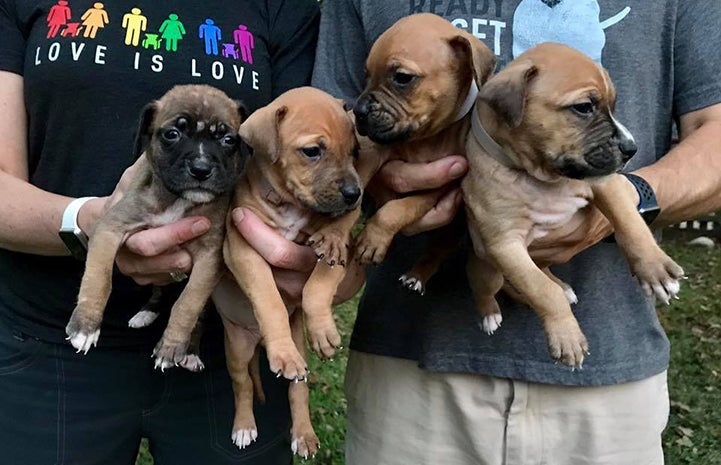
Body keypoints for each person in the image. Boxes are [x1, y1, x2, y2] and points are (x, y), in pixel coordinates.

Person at [234, 1, 721, 464]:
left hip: (608, 374)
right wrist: (382, 192)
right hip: (411, 368)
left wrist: (622, 203)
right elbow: (336, 128)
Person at [0, 1, 319, 464]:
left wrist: (321, 267)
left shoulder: (283, 10)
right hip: (47, 341)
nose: (202, 160)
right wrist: (85, 222)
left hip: (227, 341)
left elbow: (313, 157)